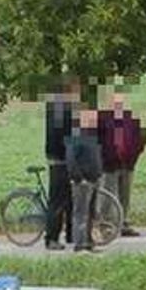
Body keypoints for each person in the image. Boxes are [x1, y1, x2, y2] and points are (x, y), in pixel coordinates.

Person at [98, 92, 146, 236]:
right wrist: (104, 156)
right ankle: (105, 224)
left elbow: (142, 137)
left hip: (128, 163)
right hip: (109, 164)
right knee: (108, 196)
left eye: (120, 102)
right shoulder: (103, 119)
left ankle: (123, 223)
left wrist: (135, 153)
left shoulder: (131, 119)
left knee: (125, 195)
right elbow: (97, 140)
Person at [43, 76, 78, 250]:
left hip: (60, 157)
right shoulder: (60, 109)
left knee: (69, 198)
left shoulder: (58, 108)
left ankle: (72, 233)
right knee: (58, 200)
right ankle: (51, 238)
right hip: (60, 159)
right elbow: (63, 136)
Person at [65, 108, 103, 252]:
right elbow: (71, 160)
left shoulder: (91, 136)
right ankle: (80, 244)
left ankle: (89, 242)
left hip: (94, 179)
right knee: (81, 213)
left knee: (91, 213)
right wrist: (79, 178)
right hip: (83, 181)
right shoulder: (76, 136)